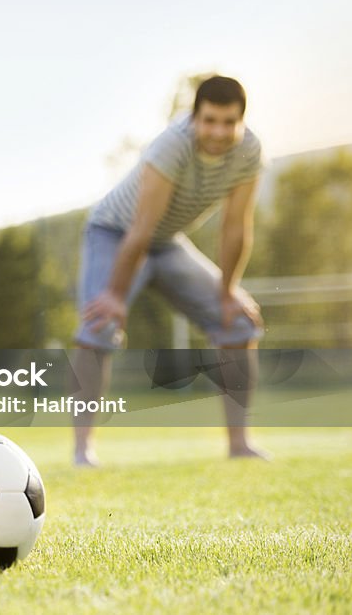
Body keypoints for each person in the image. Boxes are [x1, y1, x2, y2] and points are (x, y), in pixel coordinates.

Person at [71, 75, 268, 466]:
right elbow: (140, 228)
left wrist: (228, 291)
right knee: (97, 327)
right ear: (195, 117)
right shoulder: (172, 145)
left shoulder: (249, 151)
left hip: (167, 241)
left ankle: (239, 445)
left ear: (241, 121)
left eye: (229, 122)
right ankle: (82, 450)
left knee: (239, 324)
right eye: (210, 120)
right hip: (116, 233)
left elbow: (236, 226)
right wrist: (113, 294)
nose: (219, 131)